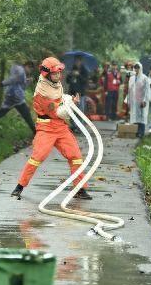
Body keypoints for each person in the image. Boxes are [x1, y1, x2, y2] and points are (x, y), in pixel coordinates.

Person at [11, 57, 92, 200]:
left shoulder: (56, 84)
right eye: (55, 73)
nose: (58, 76)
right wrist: (69, 105)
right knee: (37, 157)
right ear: (47, 74)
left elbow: (60, 99)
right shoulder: (42, 91)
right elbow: (57, 111)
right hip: (46, 128)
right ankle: (19, 187)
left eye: (59, 73)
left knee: (76, 157)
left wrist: (71, 100)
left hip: (61, 127)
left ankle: (79, 189)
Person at [0, 60, 36, 135]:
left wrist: (27, 82)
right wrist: (1, 84)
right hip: (16, 97)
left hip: (10, 95)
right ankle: (36, 133)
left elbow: (19, 85)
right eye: (30, 69)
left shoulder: (18, 70)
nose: (30, 72)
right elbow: (12, 80)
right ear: (27, 66)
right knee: (26, 114)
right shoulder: (21, 72)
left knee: (0, 113)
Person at [125, 62, 149, 138]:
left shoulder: (144, 78)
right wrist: (128, 100)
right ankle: (135, 131)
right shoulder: (131, 78)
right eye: (135, 68)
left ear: (140, 68)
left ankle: (141, 132)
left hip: (141, 100)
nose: (136, 69)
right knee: (134, 116)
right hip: (133, 100)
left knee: (141, 117)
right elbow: (129, 90)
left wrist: (144, 100)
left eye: (138, 68)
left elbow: (147, 90)